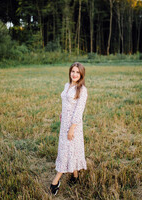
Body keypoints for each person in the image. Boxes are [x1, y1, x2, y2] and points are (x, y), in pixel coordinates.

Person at [50, 62, 88, 195]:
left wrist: (72, 128)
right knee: (72, 149)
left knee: (66, 150)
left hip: (74, 125)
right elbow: (66, 102)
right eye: (73, 71)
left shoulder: (82, 90)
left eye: (78, 72)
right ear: (70, 72)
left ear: (81, 74)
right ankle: (75, 176)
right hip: (64, 123)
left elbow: (79, 111)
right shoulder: (67, 85)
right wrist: (62, 113)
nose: (75, 74)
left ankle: (55, 181)